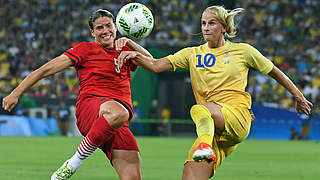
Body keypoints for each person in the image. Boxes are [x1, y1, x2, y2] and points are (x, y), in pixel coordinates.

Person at [117, 5, 313, 180]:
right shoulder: (191, 54)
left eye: (212, 23)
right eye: (203, 23)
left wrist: (298, 96)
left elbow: (274, 71)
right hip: (214, 133)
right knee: (189, 176)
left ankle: (203, 144)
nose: (206, 28)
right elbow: (155, 65)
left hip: (237, 116)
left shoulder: (243, 51)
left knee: (200, 109)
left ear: (224, 28)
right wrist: (132, 47)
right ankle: (206, 145)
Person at [2, 9, 152, 180]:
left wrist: (132, 44)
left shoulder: (125, 49)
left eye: (108, 26)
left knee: (133, 177)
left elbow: (154, 63)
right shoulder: (85, 49)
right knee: (119, 113)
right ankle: (73, 163)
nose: (105, 31)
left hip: (116, 122)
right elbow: (46, 69)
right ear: (92, 32)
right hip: (92, 109)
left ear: (116, 27)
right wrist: (16, 92)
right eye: (99, 28)